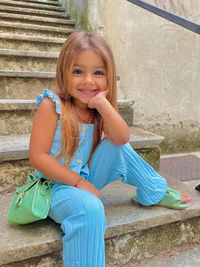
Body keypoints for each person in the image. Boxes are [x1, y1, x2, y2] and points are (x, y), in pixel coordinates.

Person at [29, 31, 192, 267]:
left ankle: (153, 191)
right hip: (55, 188)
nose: (88, 80)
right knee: (90, 208)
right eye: (78, 71)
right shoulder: (51, 106)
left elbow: (122, 136)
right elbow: (38, 156)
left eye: (98, 73)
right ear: (63, 71)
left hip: (86, 178)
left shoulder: (96, 110)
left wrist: (103, 104)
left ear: (109, 78)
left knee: (118, 146)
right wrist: (79, 183)